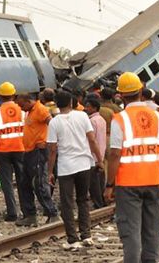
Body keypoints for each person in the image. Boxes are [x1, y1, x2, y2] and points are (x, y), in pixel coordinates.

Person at [104, 72, 159, 263]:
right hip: (153, 181)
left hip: (128, 184)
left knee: (131, 232)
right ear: (141, 90)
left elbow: (115, 154)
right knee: (152, 231)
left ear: (120, 95)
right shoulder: (157, 117)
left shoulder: (120, 119)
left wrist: (109, 184)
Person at [47, 90, 104, 248]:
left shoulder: (54, 122)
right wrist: (99, 160)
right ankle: (86, 235)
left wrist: (50, 171)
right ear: (71, 103)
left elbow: (52, 150)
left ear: (57, 105)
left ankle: (72, 239)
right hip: (84, 164)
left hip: (66, 167)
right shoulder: (83, 116)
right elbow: (92, 140)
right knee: (83, 200)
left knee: (67, 203)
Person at [16, 92, 59, 226]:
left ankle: (52, 213)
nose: (21, 108)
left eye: (22, 105)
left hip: (38, 151)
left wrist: (47, 140)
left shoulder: (40, 109)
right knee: (24, 183)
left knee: (39, 183)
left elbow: (52, 123)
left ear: (29, 101)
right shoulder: (30, 112)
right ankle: (30, 215)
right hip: (29, 151)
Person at [0, 81, 26, 222]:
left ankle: (12, 213)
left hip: (3, 151)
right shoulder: (22, 112)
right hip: (20, 149)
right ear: (13, 95)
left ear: (0, 96)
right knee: (23, 181)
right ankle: (26, 210)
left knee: (7, 182)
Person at [84, 96, 107, 209]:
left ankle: (98, 204)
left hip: (93, 155)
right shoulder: (101, 119)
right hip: (101, 152)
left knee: (93, 183)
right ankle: (102, 202)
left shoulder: (92, 121)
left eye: (88, 106)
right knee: (100, 181)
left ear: (94, 108)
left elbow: (91, 139)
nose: (86, 108)